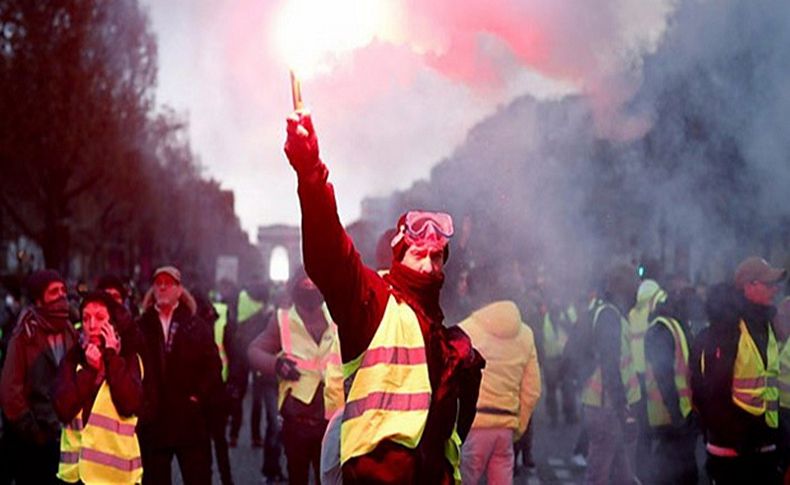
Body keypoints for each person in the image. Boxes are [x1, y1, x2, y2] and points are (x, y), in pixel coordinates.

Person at [283, 110, 485, 483]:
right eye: (418, 255)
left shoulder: (446, 337)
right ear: (398, 256)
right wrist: (310, 172)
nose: (428, 267)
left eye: (437, 257)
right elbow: (329, 253)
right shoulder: (373, 303)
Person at [692, 257, 785, 484]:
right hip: (734, 453)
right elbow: (712, 390)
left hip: (763, 447)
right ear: (749, 286)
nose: (775, 290)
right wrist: (738, 438)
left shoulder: (765, 325)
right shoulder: (727, 328)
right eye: (767, 284)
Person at [248, 269, 343, 485]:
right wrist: (276, 364)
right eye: (305, 284)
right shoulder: (282, 320)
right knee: (297, 478)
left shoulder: (337, 316)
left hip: (331, 419)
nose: (310, 288)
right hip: (297, 418)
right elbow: (254, 350)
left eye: (314, 284)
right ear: (294, 287)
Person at [136, 266, 224, 485]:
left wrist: (198, 396)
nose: (163, 287)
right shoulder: (141, 325)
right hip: (154, 421)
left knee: (197, 477)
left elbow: (213, 364)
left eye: (168, 283)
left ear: (179, 290)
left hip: (189, 418)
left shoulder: (196, 325)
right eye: (158, 283)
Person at [52, 291, 144, 484]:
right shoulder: (72, 358)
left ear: (113, 324)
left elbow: (130, 403)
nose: (92, 325)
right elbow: (63, 408)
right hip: (75, 475)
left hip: (116, 477)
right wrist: (89, 371)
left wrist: (111, 357)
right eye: (86, 319)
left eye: (100, 318)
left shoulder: (129, 360)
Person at [0, 269, 78, 484]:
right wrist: (33, 431)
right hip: (34, 443)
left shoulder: (70, 330)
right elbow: (10, 391)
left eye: (63, 290)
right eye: (54, 292)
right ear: (39, 299)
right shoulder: (24, 336)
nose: (62, 296)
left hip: (65, 438)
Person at [458, 300, 541, 484]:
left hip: (473, 426)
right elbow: (532, 390)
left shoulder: (466, 330)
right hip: (505, 427)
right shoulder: (526, 335)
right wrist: (518, 427)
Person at [580, 263, 641, 485]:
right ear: (624, 289)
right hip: (606, 408)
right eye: (634, 287)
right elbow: (610, 366)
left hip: (608, 406)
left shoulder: (612, 314)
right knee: (600, 472)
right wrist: (623, 409)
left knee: (621, 472)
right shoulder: (609, 316)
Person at [643, 287, 697, 484]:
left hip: (676, 413)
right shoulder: (663, 329)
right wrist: (677, 416)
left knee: (675, 471)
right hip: (672, 415)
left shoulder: (670, 327)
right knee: (675, 472)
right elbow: (664, 375)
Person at [627, 278, 666, 482]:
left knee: (642, 429)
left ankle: (640, 472)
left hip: (635, 377)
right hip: (652, 377)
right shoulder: (655, 318)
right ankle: (650, 472)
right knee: (654, 425)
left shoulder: (632, 314)